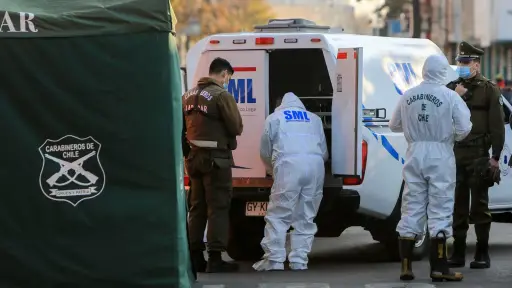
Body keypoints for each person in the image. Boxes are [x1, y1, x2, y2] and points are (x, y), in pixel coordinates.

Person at [389, 54, 472, 282]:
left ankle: (406, 267)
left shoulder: (408, 95)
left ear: (424, 71)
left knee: (411, 207)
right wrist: (449, 137)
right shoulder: (450, 96)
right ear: (444, 72)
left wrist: (414, 133)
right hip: (440, 155)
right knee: (440, 208)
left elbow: (393, 124)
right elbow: (465, 128)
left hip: (414, 154)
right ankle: (439, 268)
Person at [446, 41, 505, 270]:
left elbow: (497, 126)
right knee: (457, 206)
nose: (462, 65)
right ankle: (458, 252)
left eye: (466, 62)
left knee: (479, 206)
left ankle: (482, 253)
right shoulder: (451, 88)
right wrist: (455, 95)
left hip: (479, 154)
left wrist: (495, 157)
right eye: (460, 61)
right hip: (455, 153)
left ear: (477, 64)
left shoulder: (489, 89)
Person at [253, 92, 328, 271]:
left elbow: (265, 151)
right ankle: (299, 261)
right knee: (306, 215)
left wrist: (272, 171)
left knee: (279, 213)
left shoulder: (274, 118)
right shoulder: (314, 119)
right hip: (315, 165)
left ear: (281, 105)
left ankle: (275, 260)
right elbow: (324, 151)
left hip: (288, 165)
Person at [183, 57, 243, 273]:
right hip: (217, 160)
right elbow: (236, 127)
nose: (227, 81)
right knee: (217, 207)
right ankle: (215, 258)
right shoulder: (221, 95)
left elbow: (182, 130)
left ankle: (195, 257)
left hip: (194, 160)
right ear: (224, 74)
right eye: (228, 78)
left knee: (197, 208)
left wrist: (187, 155)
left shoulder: (187, 96)